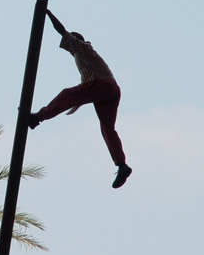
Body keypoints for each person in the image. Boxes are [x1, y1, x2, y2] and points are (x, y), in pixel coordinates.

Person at [29, 10, 132, 189]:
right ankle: (122, 165)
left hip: (101, 86)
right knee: (107, 128)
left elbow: (62, 30)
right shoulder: (87, 56)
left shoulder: (81, 47)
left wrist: (47, 13)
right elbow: (83, 92)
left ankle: (37, 118)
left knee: (66, 94)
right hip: (111, 89)